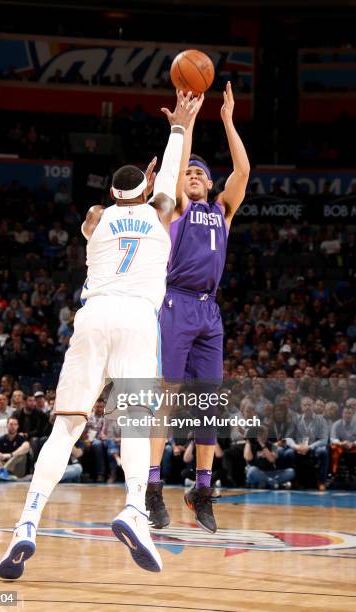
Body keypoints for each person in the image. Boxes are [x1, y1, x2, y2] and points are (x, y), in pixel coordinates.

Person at [0, 91, 200, 579]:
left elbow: (105, 212)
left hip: (93, 318)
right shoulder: (160, 214)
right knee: (134, 425)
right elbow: (169, 184)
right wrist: (178, 128)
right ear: (146, 193)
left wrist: (130, 194)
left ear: (113, 195)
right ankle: (133, 510)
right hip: (136, 321)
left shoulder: (96, 218)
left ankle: (27, 523)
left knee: (66, 427)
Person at [146, 82, 250, 533]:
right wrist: (183, 126)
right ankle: (152, 486)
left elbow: (243, 171)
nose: (191, 175)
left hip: (209, 311)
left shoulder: (224, 209)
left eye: (199, 173)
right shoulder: (181, 209)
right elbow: (174, 172)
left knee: (208, 403)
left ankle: (201, 488)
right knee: (167, 398)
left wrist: (226, 120)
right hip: (176, 302)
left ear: (210, 182)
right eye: (187, 172)